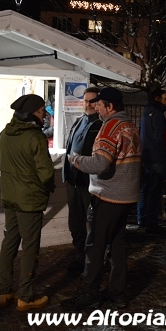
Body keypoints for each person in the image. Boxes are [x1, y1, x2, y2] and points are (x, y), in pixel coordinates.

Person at [62, 87, 141, 310]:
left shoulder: (110, 127)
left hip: (108, 196)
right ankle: (117, 292)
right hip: (125, 197)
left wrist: (75, 159)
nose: (95, 107)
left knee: (95, 245)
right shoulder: (129, 125)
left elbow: (100, 164)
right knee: (117, 244)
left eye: (99, 104)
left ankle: (89, 292)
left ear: (110, 106)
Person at [0, 94, 54, 312]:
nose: (44, 116)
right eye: (41, 112)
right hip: (30, 201)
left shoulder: (5, 134)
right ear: (31, 114)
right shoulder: (35, 137)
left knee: (9, 243)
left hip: (9, 197)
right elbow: (46, 173)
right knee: (30, 247)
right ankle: (26, 296)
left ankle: (4, 291)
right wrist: (45, 186)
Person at [62, 87, 102, 273]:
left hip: (89, 182)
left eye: (92, 101)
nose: (88, 105)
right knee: (75, 222)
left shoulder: (101, 125)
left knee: (93, 223)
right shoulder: (79, 122)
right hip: (73, 181)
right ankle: (80, 255)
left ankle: (94, 260)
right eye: (85, 101)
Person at [137, 88, 166, 234]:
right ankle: (151, 223)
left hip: (146, 156)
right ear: (157, 99)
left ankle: (141, 219)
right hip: (157, 158)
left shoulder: (145, 113)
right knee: (154, 193)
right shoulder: (157, 114)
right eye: (165, 99)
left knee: (144, 190)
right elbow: (160, 138)